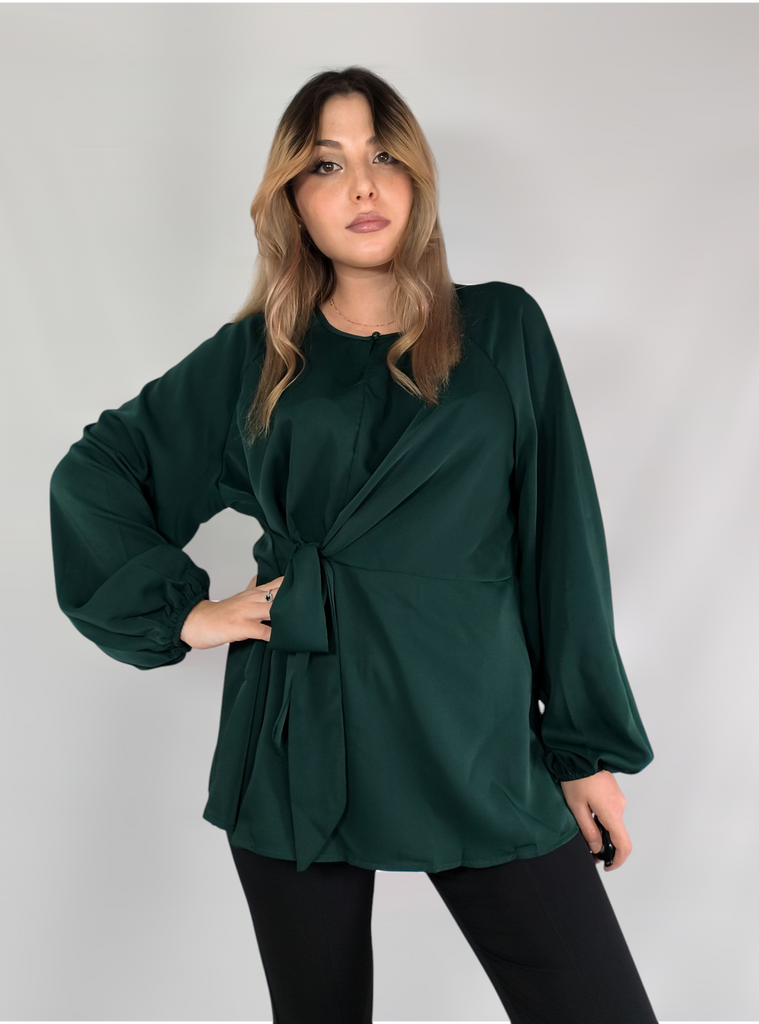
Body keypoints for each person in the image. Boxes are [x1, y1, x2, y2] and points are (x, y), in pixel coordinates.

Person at [49, 66, 659, 1024]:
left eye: (383, 157)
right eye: (327, 165)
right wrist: (188, 615)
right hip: (298, 733)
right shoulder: (254, 356)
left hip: (472, 734)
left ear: (416, 179)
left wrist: (582, 750)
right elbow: (98, 473)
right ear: (292, 197)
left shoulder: (503, 327)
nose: (362, 187)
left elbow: (562, 544)